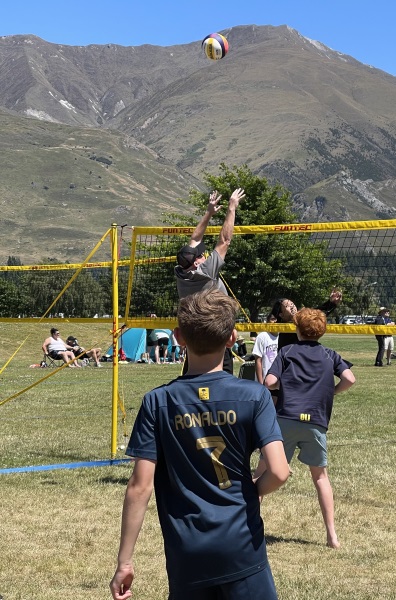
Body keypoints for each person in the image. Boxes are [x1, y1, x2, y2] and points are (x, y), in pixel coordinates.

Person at [110, 290, 290, 600]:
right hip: (242, 545)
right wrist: (253, 490)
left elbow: (140, 487)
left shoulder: (158, 402)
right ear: (232, 337)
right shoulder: (254, 396)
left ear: (178, 337)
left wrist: (124, 562)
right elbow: (279, 471)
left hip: (187, 550)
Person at [264, 308, 355, 548]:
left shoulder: (287, 350)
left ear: (296, 329)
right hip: (315, 421)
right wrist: (332, 391)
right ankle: (332, 536)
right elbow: (350, 379)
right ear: (321, 331)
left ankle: (248, 525)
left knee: (263, 473)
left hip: (286, 418)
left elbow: (269, 382)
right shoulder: (330, 354)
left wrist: (287, 387)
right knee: (321, 478)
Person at [175, 187, 245, 375]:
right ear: (197, 261)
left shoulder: (181, 272)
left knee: (192, 379)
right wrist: (232, 207)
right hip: (215, 333)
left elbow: (195, 238)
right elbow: (225, 240)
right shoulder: (205, 271)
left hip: (194, 338)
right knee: (221, 380)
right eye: (202, 255)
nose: (205, 255)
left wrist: (209, 212)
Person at [270, 289, 342, 351]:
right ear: (281, 315)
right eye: (287, 306)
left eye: (292, 304)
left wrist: (332, 303)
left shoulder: (301, 320)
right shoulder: (283, 330)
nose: (292, 306)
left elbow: (316, 313)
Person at [252, 314, 279, 384]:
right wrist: (261, 384)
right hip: (264, 381)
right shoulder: (262, 336)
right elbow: (258, 361)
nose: (275, 321)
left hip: (277, 382)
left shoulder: (283, 337)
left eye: (277, 319)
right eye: (272, 319)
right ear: (267, 321)